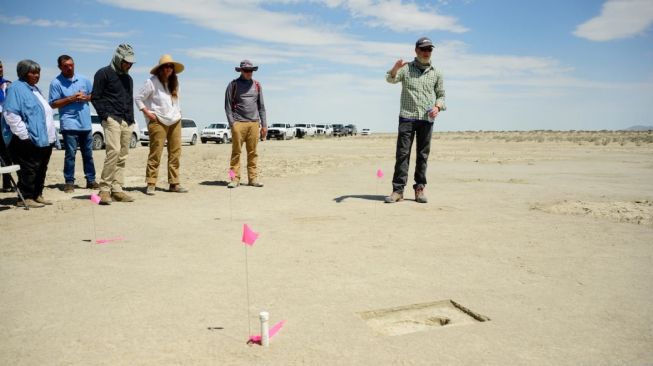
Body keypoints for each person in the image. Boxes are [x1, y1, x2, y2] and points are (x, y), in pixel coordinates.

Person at [384, 37, 446, 204]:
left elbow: (441, 95)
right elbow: (390, 79)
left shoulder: (436, 73)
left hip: (427, 119)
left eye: (429, 50)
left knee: (422, 155)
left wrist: (438, 107)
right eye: (423, 49)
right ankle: (397, 191)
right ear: (416, 51)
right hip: (407, 117)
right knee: (403, 154)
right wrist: (395, 68)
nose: (426, 52)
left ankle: (419, 189)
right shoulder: (406, 69)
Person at [2, 59, 56, 208]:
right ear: (24, 73)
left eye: (38, 72)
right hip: (26, 139)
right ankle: (25, 197)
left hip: (44, 138)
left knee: (41, 168)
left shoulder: (35, 89)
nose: (37, 75)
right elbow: (11, 114)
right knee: (29, 168)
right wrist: (24, 135)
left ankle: (37, 194)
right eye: (33, 72)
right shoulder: (16, 88)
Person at [134, 54, 188, 195]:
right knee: (156, 152)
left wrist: (179, 112)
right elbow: (138, 98)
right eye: (166, 66)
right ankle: (151, 183)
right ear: (160, 68)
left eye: (171, 66)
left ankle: (174, 183)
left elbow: (176, 101)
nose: (168, 69)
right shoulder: (151, 82)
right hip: (158, 120)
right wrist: (147, 113)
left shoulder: (175, 82)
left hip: (175, 120)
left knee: (175, 153)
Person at [91, 44, 136, 205]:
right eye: (126, 62)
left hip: (127, 120)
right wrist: (105, 116)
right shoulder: (103, 73)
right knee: (113, 152)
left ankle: (117, 189)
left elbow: (129, 99)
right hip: (112, 119)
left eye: (131, 63)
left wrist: (131, 119)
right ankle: (104, 189)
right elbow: (95, 97)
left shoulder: (128, 78)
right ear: (118, 58)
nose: (128, 65)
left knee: (123, 155)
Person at [49, 55, 98, 193]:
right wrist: (70, 98)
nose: (69, 67)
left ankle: (91, 180)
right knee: (70, 154)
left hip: (85, 124)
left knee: (88, 154)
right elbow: (53, 104)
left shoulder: (84, 80)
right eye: (66, 66)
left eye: (71, 65)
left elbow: (95, 96)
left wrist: (86, 97)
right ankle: (69, 182)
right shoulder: (56, 83)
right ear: (60, 67)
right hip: (69, 124)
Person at [224, 59, 267, 188]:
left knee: (253, 153)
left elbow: (262, 106)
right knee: (235, 153)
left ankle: (253, 179)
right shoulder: (233, 85)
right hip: (238, 123)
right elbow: (227, 106)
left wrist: (264, 125)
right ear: (241, 70)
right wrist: (233, 124)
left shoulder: (257, 85)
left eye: (251, 70)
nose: (249, 73)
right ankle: (233, 179)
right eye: (246, 70)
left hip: (254, 123)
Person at [0, 59, 15, 192]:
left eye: (1, 67)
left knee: (6, 153)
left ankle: (6, 184)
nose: (0, 69)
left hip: (4, 121)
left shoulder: (7, 84)